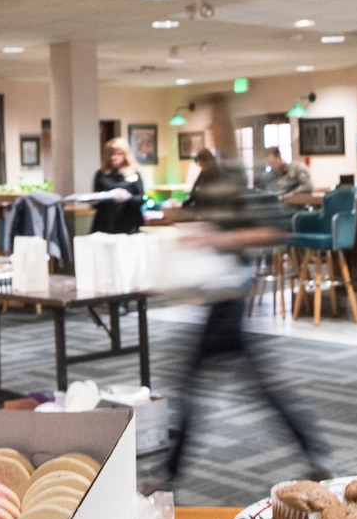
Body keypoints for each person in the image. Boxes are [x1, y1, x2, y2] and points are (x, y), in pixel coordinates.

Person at [142, 160, 332, 494]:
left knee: (193, 389)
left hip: (229, 306)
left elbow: (273, 232)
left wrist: (218, 239)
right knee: (254, 390)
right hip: (222, 304)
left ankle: (167, 474)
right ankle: (315, 454)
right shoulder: (216, 198)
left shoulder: (243, 198)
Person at [91, 138, 146, 234]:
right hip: (105, 225)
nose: (113, 157)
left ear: (125, 155)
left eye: (118, 154)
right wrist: (94, 201)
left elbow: (141, 199)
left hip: (129, 225)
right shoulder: (101, 174)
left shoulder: (134, 173)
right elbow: (96, 201)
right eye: (111, 154)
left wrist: (128, 197)